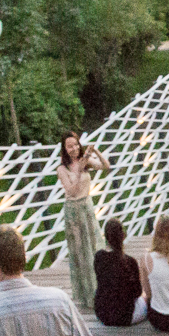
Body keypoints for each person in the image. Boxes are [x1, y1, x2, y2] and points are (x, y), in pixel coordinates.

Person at [54, 132, 112, 310]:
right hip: (73, 210)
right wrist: (78, 171)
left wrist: (94, 152)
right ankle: (88, 295)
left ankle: (101, 290)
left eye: (76, 144)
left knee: (95, 247)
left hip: (87, 207)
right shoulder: (62, 169)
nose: (74, 149)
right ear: (64, 148)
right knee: (80, 252)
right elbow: (71, 191)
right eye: (69, 146)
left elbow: (105, 166)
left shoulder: (84, 161)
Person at [93, 219, 145, 327]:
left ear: (106, 237)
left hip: (103, 315)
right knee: (146, 296)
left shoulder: (99, 257)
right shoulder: (130, 262)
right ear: (123, 236)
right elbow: (137, 292)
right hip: (125, 317)